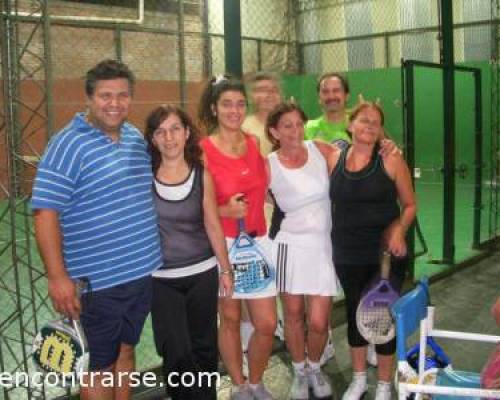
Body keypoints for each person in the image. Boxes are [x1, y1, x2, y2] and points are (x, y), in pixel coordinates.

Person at [31, 59, 162, 400]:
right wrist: (58, 277)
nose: (114, 103)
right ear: (88, 99)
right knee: (97, 368)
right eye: (105, 95)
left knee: (126, 353)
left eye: (122, 95)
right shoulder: (67, 145)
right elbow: (45, 214)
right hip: (97, 285)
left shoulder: (135, 138)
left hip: (140, 275)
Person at [327, 101, 417, 400]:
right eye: (363, 121)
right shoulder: (334, 158)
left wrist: (398, 230)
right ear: (350, 125)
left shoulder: (390, 160)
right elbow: (296, 141)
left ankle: (382, 384)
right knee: (354, 312)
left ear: (381, 131)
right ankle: (358, 380)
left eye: (375, 123)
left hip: (384, 253)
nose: (369, 126)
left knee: (381, 318)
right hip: (346, 251)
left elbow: (410, 204)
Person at [145, 105, 233, 399]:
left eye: (174, 129)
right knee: (176, 351)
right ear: (153, 139)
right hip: (161, 279)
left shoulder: (201, 175)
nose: (168, 137)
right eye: (161, 131)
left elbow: (212, 223)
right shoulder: (144, 178)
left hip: (202, 275)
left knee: (205, 347)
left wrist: (225, 269)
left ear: (186, 134)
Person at [198, 75, 277, 400]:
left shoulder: (255, 143)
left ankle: (256, 380)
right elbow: (197, 208)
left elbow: (268, 187)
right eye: (226, 104)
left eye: (239, 104)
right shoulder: (202, 151)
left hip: (258, 243)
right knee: (229, 318)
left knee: (267, 323)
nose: (234, 110)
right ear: (215, 108)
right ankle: (238, 384)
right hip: (225, 247)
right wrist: (224, 212)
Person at [266, 101, 340, 399]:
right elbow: (249, 192)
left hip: (322, 247)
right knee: (294, 315)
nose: (295, 131)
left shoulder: (320, 149)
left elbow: (356, 161)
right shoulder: (268, 164)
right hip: (288, 246)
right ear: (274, 131)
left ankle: (315, 366)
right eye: (287, 126)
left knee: (320, 321)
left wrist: (385, 147)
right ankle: (300, 371)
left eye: (299, 124)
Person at [305, 72, 352, 146]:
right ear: (319, 98)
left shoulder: (358, 128)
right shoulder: (307, 129)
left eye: (336, 90)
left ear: (347, 96)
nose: (331, 96)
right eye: (325, 92)